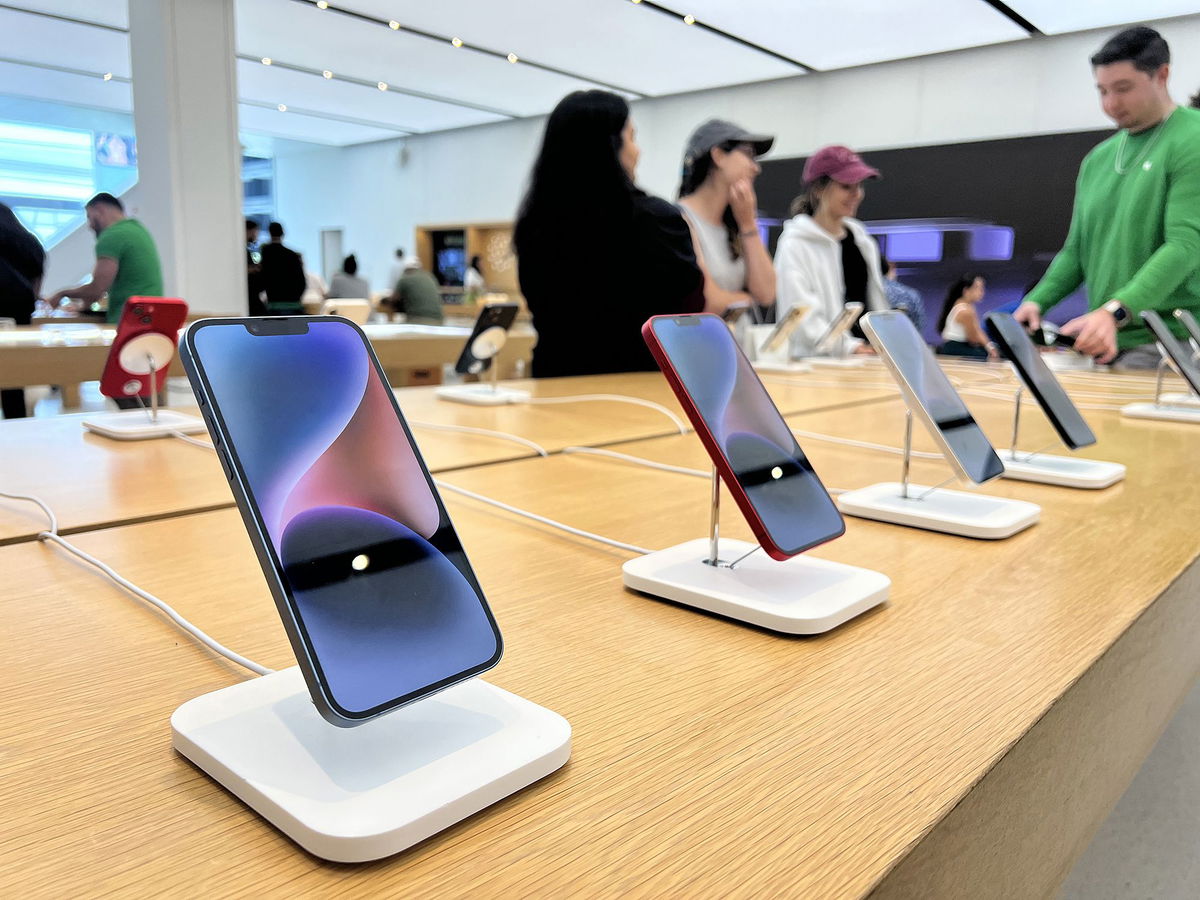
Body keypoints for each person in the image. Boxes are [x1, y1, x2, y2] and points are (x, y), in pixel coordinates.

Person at [1014, 27, 1200, 369]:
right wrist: (1035, 302)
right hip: (1104, 345)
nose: (1111, 104)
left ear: (1162, 75)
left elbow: (1186, 244)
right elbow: (1076, 252)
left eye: (1123, 89)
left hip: (1173, 346)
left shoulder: (1193, 137)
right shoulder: (1098, 159)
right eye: (1102, 91)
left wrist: (1114, 311)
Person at [513, 90, 703, 377]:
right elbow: (689, 310)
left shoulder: (535, 226)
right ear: (611, 145)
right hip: (642, 390)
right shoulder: (655, 220)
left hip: (555, 385)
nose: (637, 150)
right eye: (632, 137)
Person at [773, 145, 887, 357]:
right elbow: (800, 314)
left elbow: (874, 304)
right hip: (818, 367)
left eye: (859, 185)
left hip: (866, 361)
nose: (856, 194)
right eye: (846, 186)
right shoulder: (795, 244)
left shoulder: (863, 241)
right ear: (818, 189)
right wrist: (850, 347)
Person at [677, 119, 776, 316]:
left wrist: (748, 223)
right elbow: (708, 301)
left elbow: (766, 293)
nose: (756, 168)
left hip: (737, 345)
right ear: (718, 155)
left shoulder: (736, 224)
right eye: (748, 155)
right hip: (705, 345)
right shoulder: (680, 220)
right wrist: (748, 299)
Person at [46, 192, 163, 324]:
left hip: (128, 322)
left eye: (89, 217)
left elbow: (96, 289)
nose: (89, 225)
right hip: (152, 318)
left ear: (100, 209)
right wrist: (83, 307)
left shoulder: (112, 235)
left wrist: (62, 293)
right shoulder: (138, 230)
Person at [0, 202, 44, 418]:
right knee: (13, 375)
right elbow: (37, 280)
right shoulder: (28, 241)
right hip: (19, 312)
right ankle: (16, 421)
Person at [937, 274, 997, 360]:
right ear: (966, 290)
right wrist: (989, 348)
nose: (982, 292)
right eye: (978, 288)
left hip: (954, 346)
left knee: (988, 350)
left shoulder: (965, 306)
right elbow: (973, 338)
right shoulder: (965, 311)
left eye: (982, 288)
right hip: (956, 348)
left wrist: (989, 346)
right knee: (984, 354)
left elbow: (977, 330)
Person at [258, 221, 306, 313]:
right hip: (293, 303)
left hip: (273, 303)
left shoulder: (266, 253)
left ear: (270, 233)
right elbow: (301, 281)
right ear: (283, 233)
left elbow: (263, 278)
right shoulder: (293, 255)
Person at [385, 258, 444, 325]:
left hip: (418, 320)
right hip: (439, 320)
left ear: (405, 270)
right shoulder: (430, 277)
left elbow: (394, 299)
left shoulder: (405, 279)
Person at [880, 255, 926, 335]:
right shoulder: (910, 293)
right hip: (904, 341)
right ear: (892, 269)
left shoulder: (864, 292)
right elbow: (919, 325)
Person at [245, 219, 266, 316]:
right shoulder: (242, 250)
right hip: (250, 294)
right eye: (255, 231)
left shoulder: (251, 249)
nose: (256, 235)